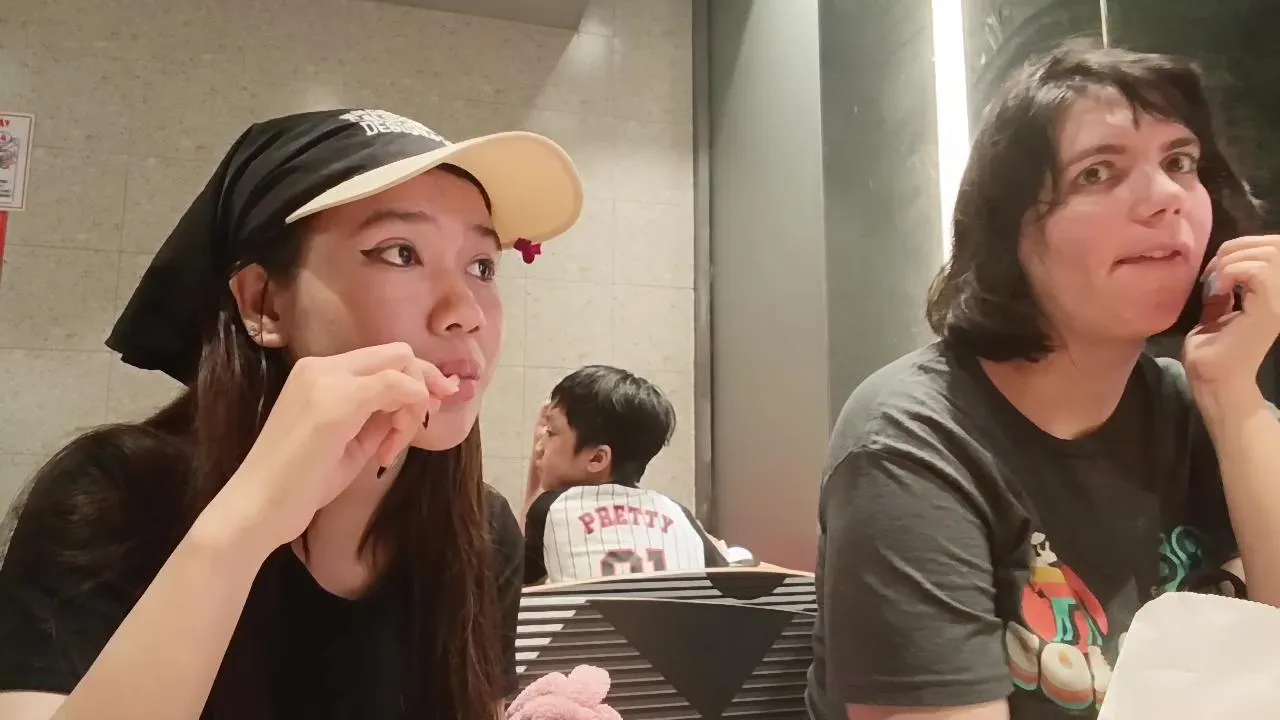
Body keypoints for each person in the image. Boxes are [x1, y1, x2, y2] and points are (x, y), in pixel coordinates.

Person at [0, 108, 584, 720]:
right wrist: (244, 527)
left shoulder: (481, 531)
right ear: (264, 302)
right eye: (400, 252)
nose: (466, 311)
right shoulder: (113, 496)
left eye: (482, 266)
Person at [807, 42, 1280, 720]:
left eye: (1180, 162)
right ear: (1009, 233)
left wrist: (1235, 398)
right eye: (1097, 173)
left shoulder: (1197, 405)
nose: (1165, 198)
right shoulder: (911, 443)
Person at [521, 365, 726, 585]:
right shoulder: (679, 514)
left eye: (550, 432)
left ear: (597, 458)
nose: (539, 446)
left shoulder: (552, 508)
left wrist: (532, 490)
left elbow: (513, 579)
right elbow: (725, 575)